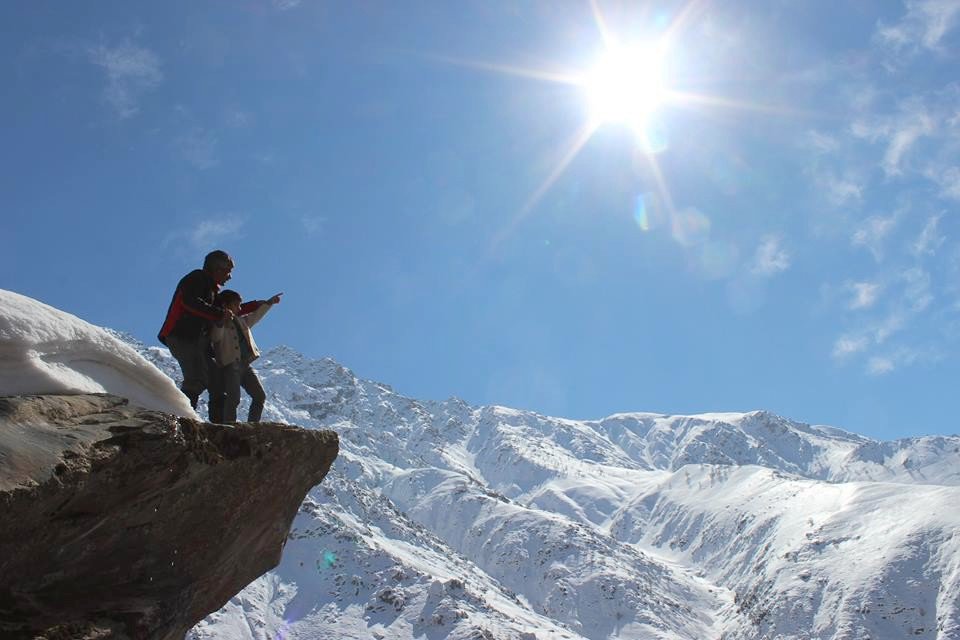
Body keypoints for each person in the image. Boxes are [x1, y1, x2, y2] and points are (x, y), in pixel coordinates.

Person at [157, 250, 237, 422]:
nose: (229, 277)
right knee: (196, 378)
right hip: (182, 335)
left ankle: (219, 427)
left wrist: (260, 305)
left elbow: (230, 310)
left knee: (217, 379)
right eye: (228, 271)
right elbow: (190, 303)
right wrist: (219, 314)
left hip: (198, 340)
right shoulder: (196, 278)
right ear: (217, 268)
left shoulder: (212, 289)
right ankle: (180, 421)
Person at [210, 289, 282, 423]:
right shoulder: (218, 323)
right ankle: (229, 426)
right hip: (230, 365)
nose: (239, 308)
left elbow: (255, 316)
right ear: (225, 305)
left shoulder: (241, 321)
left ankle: (252, 425)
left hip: (245, 364)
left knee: (259, 396)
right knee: (234, 398)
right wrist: (220, 322)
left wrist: (269, 303)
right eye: (236, 305)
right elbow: (215, 338)